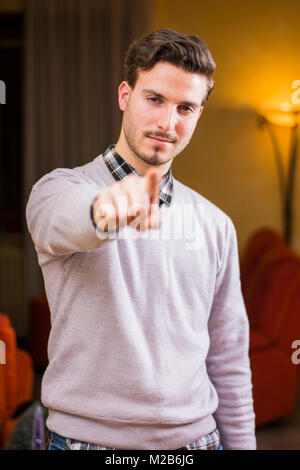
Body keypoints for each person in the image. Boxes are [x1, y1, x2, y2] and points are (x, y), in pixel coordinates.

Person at [26, 28, 256, 450]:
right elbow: (62, 219)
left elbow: (228, 356)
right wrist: (108, 208)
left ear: (198, 116)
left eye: (185, 107)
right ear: (124, 96)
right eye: (154, 100)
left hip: (196, 443)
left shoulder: (216, 224)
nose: (168, 123)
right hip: (85, 443)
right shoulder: (57, 190)